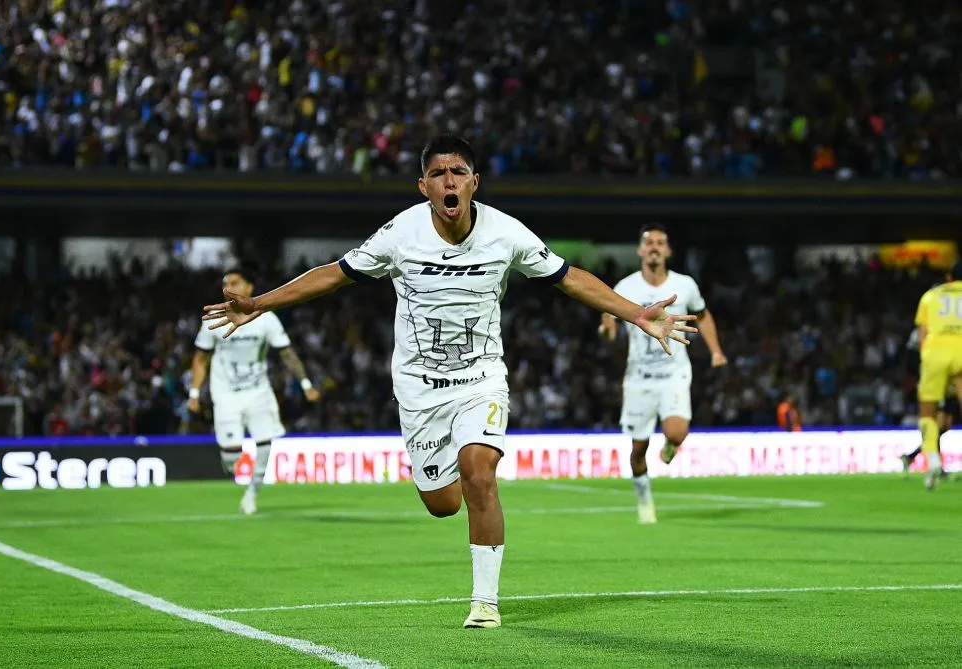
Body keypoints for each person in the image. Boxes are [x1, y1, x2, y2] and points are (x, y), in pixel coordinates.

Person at [202, 136, 698, 629]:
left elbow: (568, 277)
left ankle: (485, 602)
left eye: (458, 172)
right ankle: (446, 476)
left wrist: (636, 314)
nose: (449, 181)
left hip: (481, 378)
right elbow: (335, 273)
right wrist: (260, 303)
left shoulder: (506, 232)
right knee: (442, 504)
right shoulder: (401, 233)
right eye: (438, 174)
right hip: (418, 388)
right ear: (424, 186)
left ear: (474, 182)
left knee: (480, 473)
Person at [597, 224, 726, 524]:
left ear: (668, 250)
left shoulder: (685, 285)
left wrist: (716, 350)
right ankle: (644, 500)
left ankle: (671, 445)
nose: (654, 247)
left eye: (660, 242)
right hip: (639, 378)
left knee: (677, 432)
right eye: (649, 242)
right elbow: (608, 320)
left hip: (674, 374)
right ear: (640, 250)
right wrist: (607, 331)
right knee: (638, 449)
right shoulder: (625, 287)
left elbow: (703, 315)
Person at [189, 267, 321, 514]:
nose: (228, 288)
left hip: (258, 391)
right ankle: (235, 473)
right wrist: (194, 393)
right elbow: (200, 358)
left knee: (264, 444)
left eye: (235, 282)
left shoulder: (266, 318)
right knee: (231, 456)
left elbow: (286, 353)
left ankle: (251, 495)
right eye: (226, 283)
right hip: (225, 393)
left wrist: (306, 384)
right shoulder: (214, 319)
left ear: (249, 287)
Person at [907, 260, 962, 489]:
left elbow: (922, 336)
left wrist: (927, 365)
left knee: (927, 412)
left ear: (949, 276)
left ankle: (932, 460)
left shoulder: (930, 296)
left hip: (936, 354)